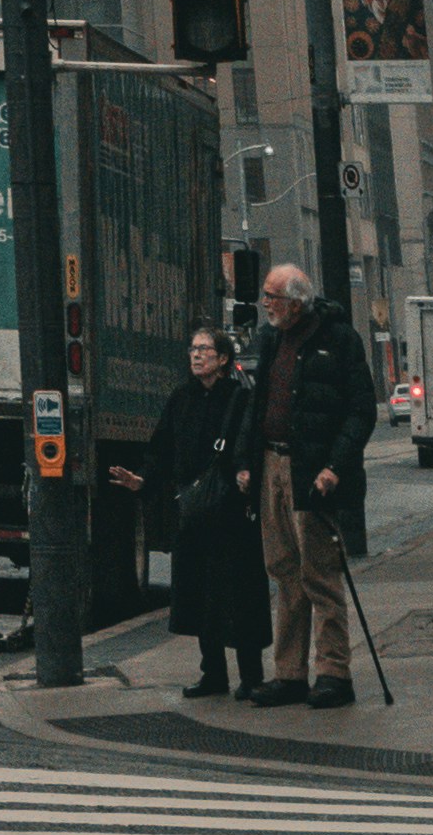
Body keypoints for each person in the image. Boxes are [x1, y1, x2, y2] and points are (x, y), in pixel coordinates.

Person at [233, 257, 380, 708]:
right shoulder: (272, 339)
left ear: (296, 302)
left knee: (320, 575)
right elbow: (255, 406)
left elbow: (361, 410)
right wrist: (245, 461)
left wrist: (334, 466)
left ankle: (333, 671)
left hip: (314, 473)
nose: (264, 303)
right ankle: (290, 673)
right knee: (283, 572)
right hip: (272, 467)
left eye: (272, 297)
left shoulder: (339, 340)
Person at [144, 323, 268, 700]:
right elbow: (162, 448)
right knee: (200, 593)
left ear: (224, 359)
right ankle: (213, 673)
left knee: (238, 594)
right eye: (193, 349)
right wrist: (146, 481)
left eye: (205, 350)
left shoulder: (239, 397)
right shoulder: (182, 398)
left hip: (231, 513)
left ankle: (251, 676)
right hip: (195, 513)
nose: (197, 355)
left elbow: (251, 444)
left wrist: (246, 474)